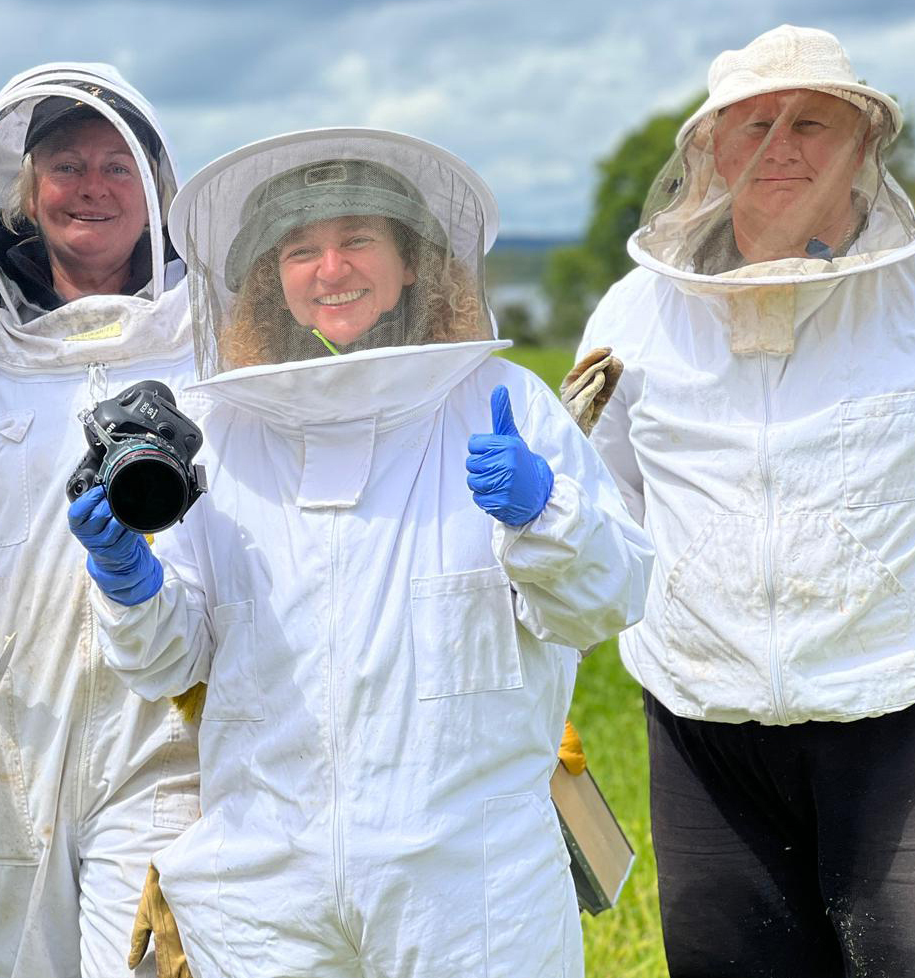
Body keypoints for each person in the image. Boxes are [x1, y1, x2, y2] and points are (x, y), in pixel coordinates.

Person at [68, 128, 652, 978]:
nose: (330, 268)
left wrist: (544, 515)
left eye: (356, 241)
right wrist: (129, 580)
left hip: (468, 883)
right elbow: (170, 664)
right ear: (272, 277)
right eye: (301, 249)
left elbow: (609, 599)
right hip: (263, 880)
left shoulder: (501, 402)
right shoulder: (224, 434)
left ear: (413, 260)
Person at [579, 24, 915, 978]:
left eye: (811, 124)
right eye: (752, 126)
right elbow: (600, 519)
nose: (779, 148)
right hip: (703, 735)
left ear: (864, 145)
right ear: (709, 149)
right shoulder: (634, 314)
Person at [0, 64, 200, 978]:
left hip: (165, 730)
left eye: (119, 166)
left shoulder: (214, 338)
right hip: (1, 732)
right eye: (67, 165)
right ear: (24, 196)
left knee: (147, 962)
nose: (93, 188)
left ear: (157, 189)